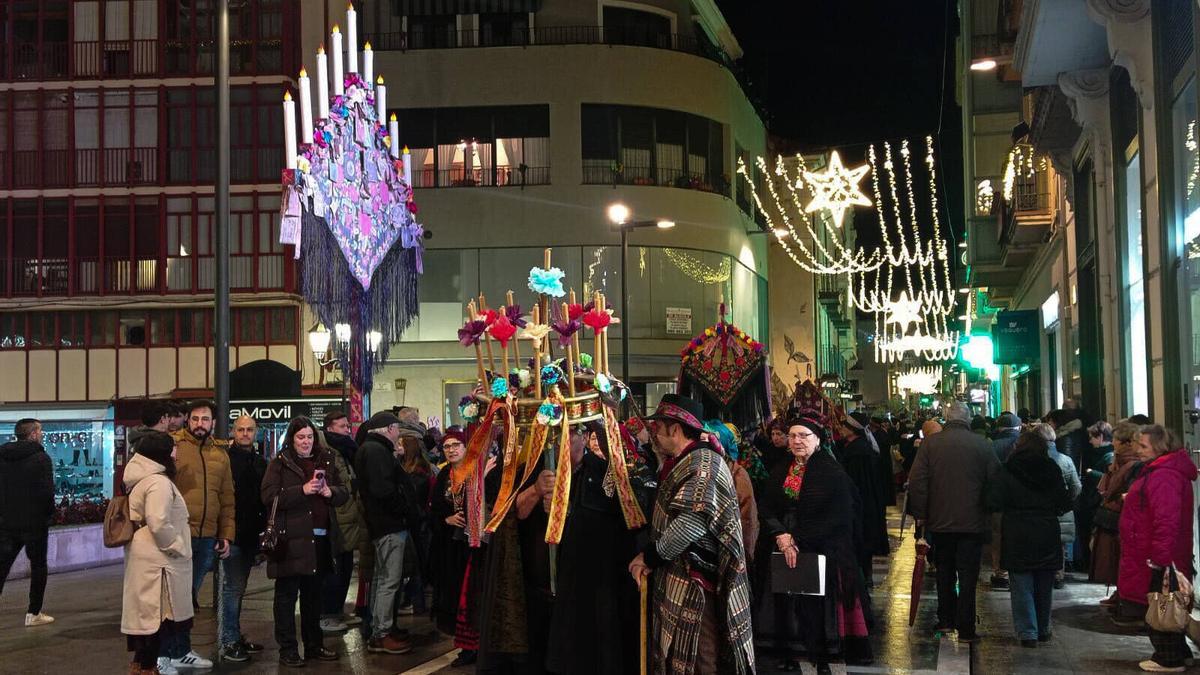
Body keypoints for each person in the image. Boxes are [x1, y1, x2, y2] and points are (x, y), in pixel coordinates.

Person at [628, 394, 754, 675]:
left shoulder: (703, 463)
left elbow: (692, 523)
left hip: (696, 582)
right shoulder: (684, 459)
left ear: (675, 429)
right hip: (680, 574)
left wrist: (649, 556)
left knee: (699, 660)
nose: (655, 435)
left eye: (658, 428)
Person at [757, 416, 872, 673]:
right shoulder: (780, 469)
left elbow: (839, 515)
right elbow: (766, 506)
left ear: (818, 440)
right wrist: (781, 535)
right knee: (786, 601)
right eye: (793, 436)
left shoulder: (831, 472)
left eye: (804, 436)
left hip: (822, 549)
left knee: (817, 609)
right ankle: (792, 654)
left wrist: (798, 538)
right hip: (783, 544)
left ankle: (820, 656)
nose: (797, 441)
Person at [547, 420, 642, 675]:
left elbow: (623, 500)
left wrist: (602, 423)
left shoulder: (602, 472)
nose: (560, 446)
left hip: (601, 577)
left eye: (567, 438)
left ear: (585, 437)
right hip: (567, 574)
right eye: (555, 440)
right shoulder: (548, 476)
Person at [906, 401, 999, 642]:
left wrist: (921, 515)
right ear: (968, 419)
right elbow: (995, 481)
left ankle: (946, 620)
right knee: (968, 577)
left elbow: (917, 481)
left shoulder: (930, 445)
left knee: (944, 572)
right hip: (973, 522)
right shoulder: (983, 445)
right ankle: (967, 628)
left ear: (947, 418)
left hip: (940, 521)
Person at [261, 417, 349, 668]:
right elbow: (268, 496)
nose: (306, 442)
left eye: (310, 436)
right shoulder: (279, 464)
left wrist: (330, 492)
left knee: (314, 598)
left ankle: (314, 645)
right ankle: (288, 649)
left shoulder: (327, 459)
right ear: (292, 439)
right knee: (286, 598)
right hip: (290, 542)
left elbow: (344, 491)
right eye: (301, 437)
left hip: (320, 540)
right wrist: (302, 490)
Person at [1116, 425, 1197, 671]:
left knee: (1162, 604)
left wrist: (1161, 558)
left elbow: (1166, 519)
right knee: (1165, 602)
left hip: (1156, 554)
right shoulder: (1160, 471)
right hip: (1151, 550)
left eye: (1143, 446)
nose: (1137, 451)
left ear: (1160, 447)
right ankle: (1179, 652)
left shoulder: (1164, 475)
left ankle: (1168, 657)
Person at [164, 399, 235, 670]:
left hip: (207, 538)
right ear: (187, 420)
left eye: (205, 419)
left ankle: (179, 651)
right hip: (178, 536)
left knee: (188, 599)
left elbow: (227, 498)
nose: (199, 424)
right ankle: (164, 654)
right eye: (195, 419)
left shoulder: (220, 454)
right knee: (173, 599)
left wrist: (225, 534)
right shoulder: (174, 446)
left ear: (213, 423)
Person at [988, 431, 1071, 647]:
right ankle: (1044, 628)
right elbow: (1064, 501)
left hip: (1017, 530)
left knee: (1021, 583)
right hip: (1046, 530)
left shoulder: (1007, 470)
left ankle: (1028, 633)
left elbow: (994, 500)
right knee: (1045, 583)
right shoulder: (1051, 468)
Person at [120, 431, 193, 675]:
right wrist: (178, 546)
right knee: (156, 623)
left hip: (147, 560)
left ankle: (141, 668)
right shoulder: (158, 482)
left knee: (147, 626)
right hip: (160, 565)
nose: (176, 453)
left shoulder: (142, 478)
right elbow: (159, 522)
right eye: (172, 448)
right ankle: (147, 670)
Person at [354, 411, 416, 655]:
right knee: (389, 580)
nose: (399, 433)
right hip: (389, 525)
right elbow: (383, 490)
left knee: (383, 579)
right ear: (389, 428)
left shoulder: (370, 449)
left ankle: (382, 628)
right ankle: (382, 633)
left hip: (383, 525)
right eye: (397, 428)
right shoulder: (376, 451)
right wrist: (403, 508)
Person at [429, 429, 482, 667]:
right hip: (451, 547)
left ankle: (478, 646)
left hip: (474, 546)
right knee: (455, 596)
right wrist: (446, 519)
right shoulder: (443, 476)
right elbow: (434, 508)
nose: (451, 450)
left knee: (472, 596)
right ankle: (466, 646)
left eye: (455, 445)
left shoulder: (476, 471)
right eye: (446, 447)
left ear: (465, 447)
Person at [220, 415, 268, 662]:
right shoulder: (225, 460)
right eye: (241, 430)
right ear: (233, 432)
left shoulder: (260, 462)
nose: (245, 434)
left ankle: (233, 637)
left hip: (251, 536)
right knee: (233, 589)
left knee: (238, 589)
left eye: (249, 430)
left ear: (256, 432)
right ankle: (228, 640)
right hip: (234, 535)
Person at [0, 418, 55, 627]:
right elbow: (46, 492)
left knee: (2, 566)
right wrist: (49, 516)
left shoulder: (2, 456)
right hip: (34, 523)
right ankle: (33, 613)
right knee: (38, 566)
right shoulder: (41, 458)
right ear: (32, 434)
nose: (41, 434)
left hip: (7, 522)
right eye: (39, 430)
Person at [318, 410, 365, 632]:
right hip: (337, 516)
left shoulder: (346, 451)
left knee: (345, 567)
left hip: (349, 515)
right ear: (330, 429)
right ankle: (327, 615)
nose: (347, 430)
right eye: (342, 426)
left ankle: (337, 611)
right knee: (335, 569)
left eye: (348, 426)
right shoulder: (327, 453)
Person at [1093, 421, 1142, 605]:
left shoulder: (1132, 465)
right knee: (1114, 558)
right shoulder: (1116, 462)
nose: (1112, 442)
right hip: (1113, 516)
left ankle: (1125, 597)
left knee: (1120, 557)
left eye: (1115, 439)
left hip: (1120, 516)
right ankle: (1120, 594)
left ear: (1126, 442)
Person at [837, 412, 889, 584]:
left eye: (845, 426)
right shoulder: (860, 447)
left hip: (862, 506)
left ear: (853, 430)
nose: (841, 428)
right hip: (867, 505)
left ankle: (862, 579)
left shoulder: (857, 452)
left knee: (861, 541)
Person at [1034, 423, 1080, 589]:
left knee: (1039, 542)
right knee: (1059, 545)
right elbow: (1076, 486)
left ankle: (1042, 573)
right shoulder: (1066, 460)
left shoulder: (1034, 461)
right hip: (1061, 512)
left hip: (1039, 511)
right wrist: (1067, 501)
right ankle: (1058, 575)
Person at [399, 433, 434, 617]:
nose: (397, 447)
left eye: (401, 444)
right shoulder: (411, 469)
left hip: (417, 525)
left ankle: (416, 602)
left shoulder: (416, 473)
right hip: (417, 523)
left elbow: (415, 502)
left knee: (415, 565)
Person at [988, 412, 1023, 590]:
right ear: (1018, 427)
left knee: (998, 535)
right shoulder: (1024, 443)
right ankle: (1018, 569)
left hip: (998, 499)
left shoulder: (992, 445)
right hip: (1020, 499)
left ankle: (1000, 572)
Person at [1075, 421, 1113, 570]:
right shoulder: (1101, 454)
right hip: (1093, 499)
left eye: (1092, 437)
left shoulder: (1108, 456)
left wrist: (1091, 473)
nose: (1090, 441)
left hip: (1095, 500)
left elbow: (1109, 477)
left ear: (1101, 437)